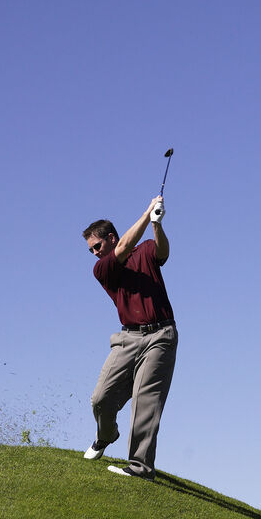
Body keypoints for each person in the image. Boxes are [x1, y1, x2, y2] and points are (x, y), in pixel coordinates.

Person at [81, 194, 177, 479]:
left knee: (145, 401)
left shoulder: (145, 249)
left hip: (161, 334)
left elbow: (162, 253)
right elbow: (125, 247)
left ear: (109, 237)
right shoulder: (103, 268)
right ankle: (106, 435)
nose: (95, 253)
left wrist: (157, 224)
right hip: (127, 338)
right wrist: (148, 212)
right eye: (91, 250)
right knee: (100, 399)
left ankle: (140, 467)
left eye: (97, 246)